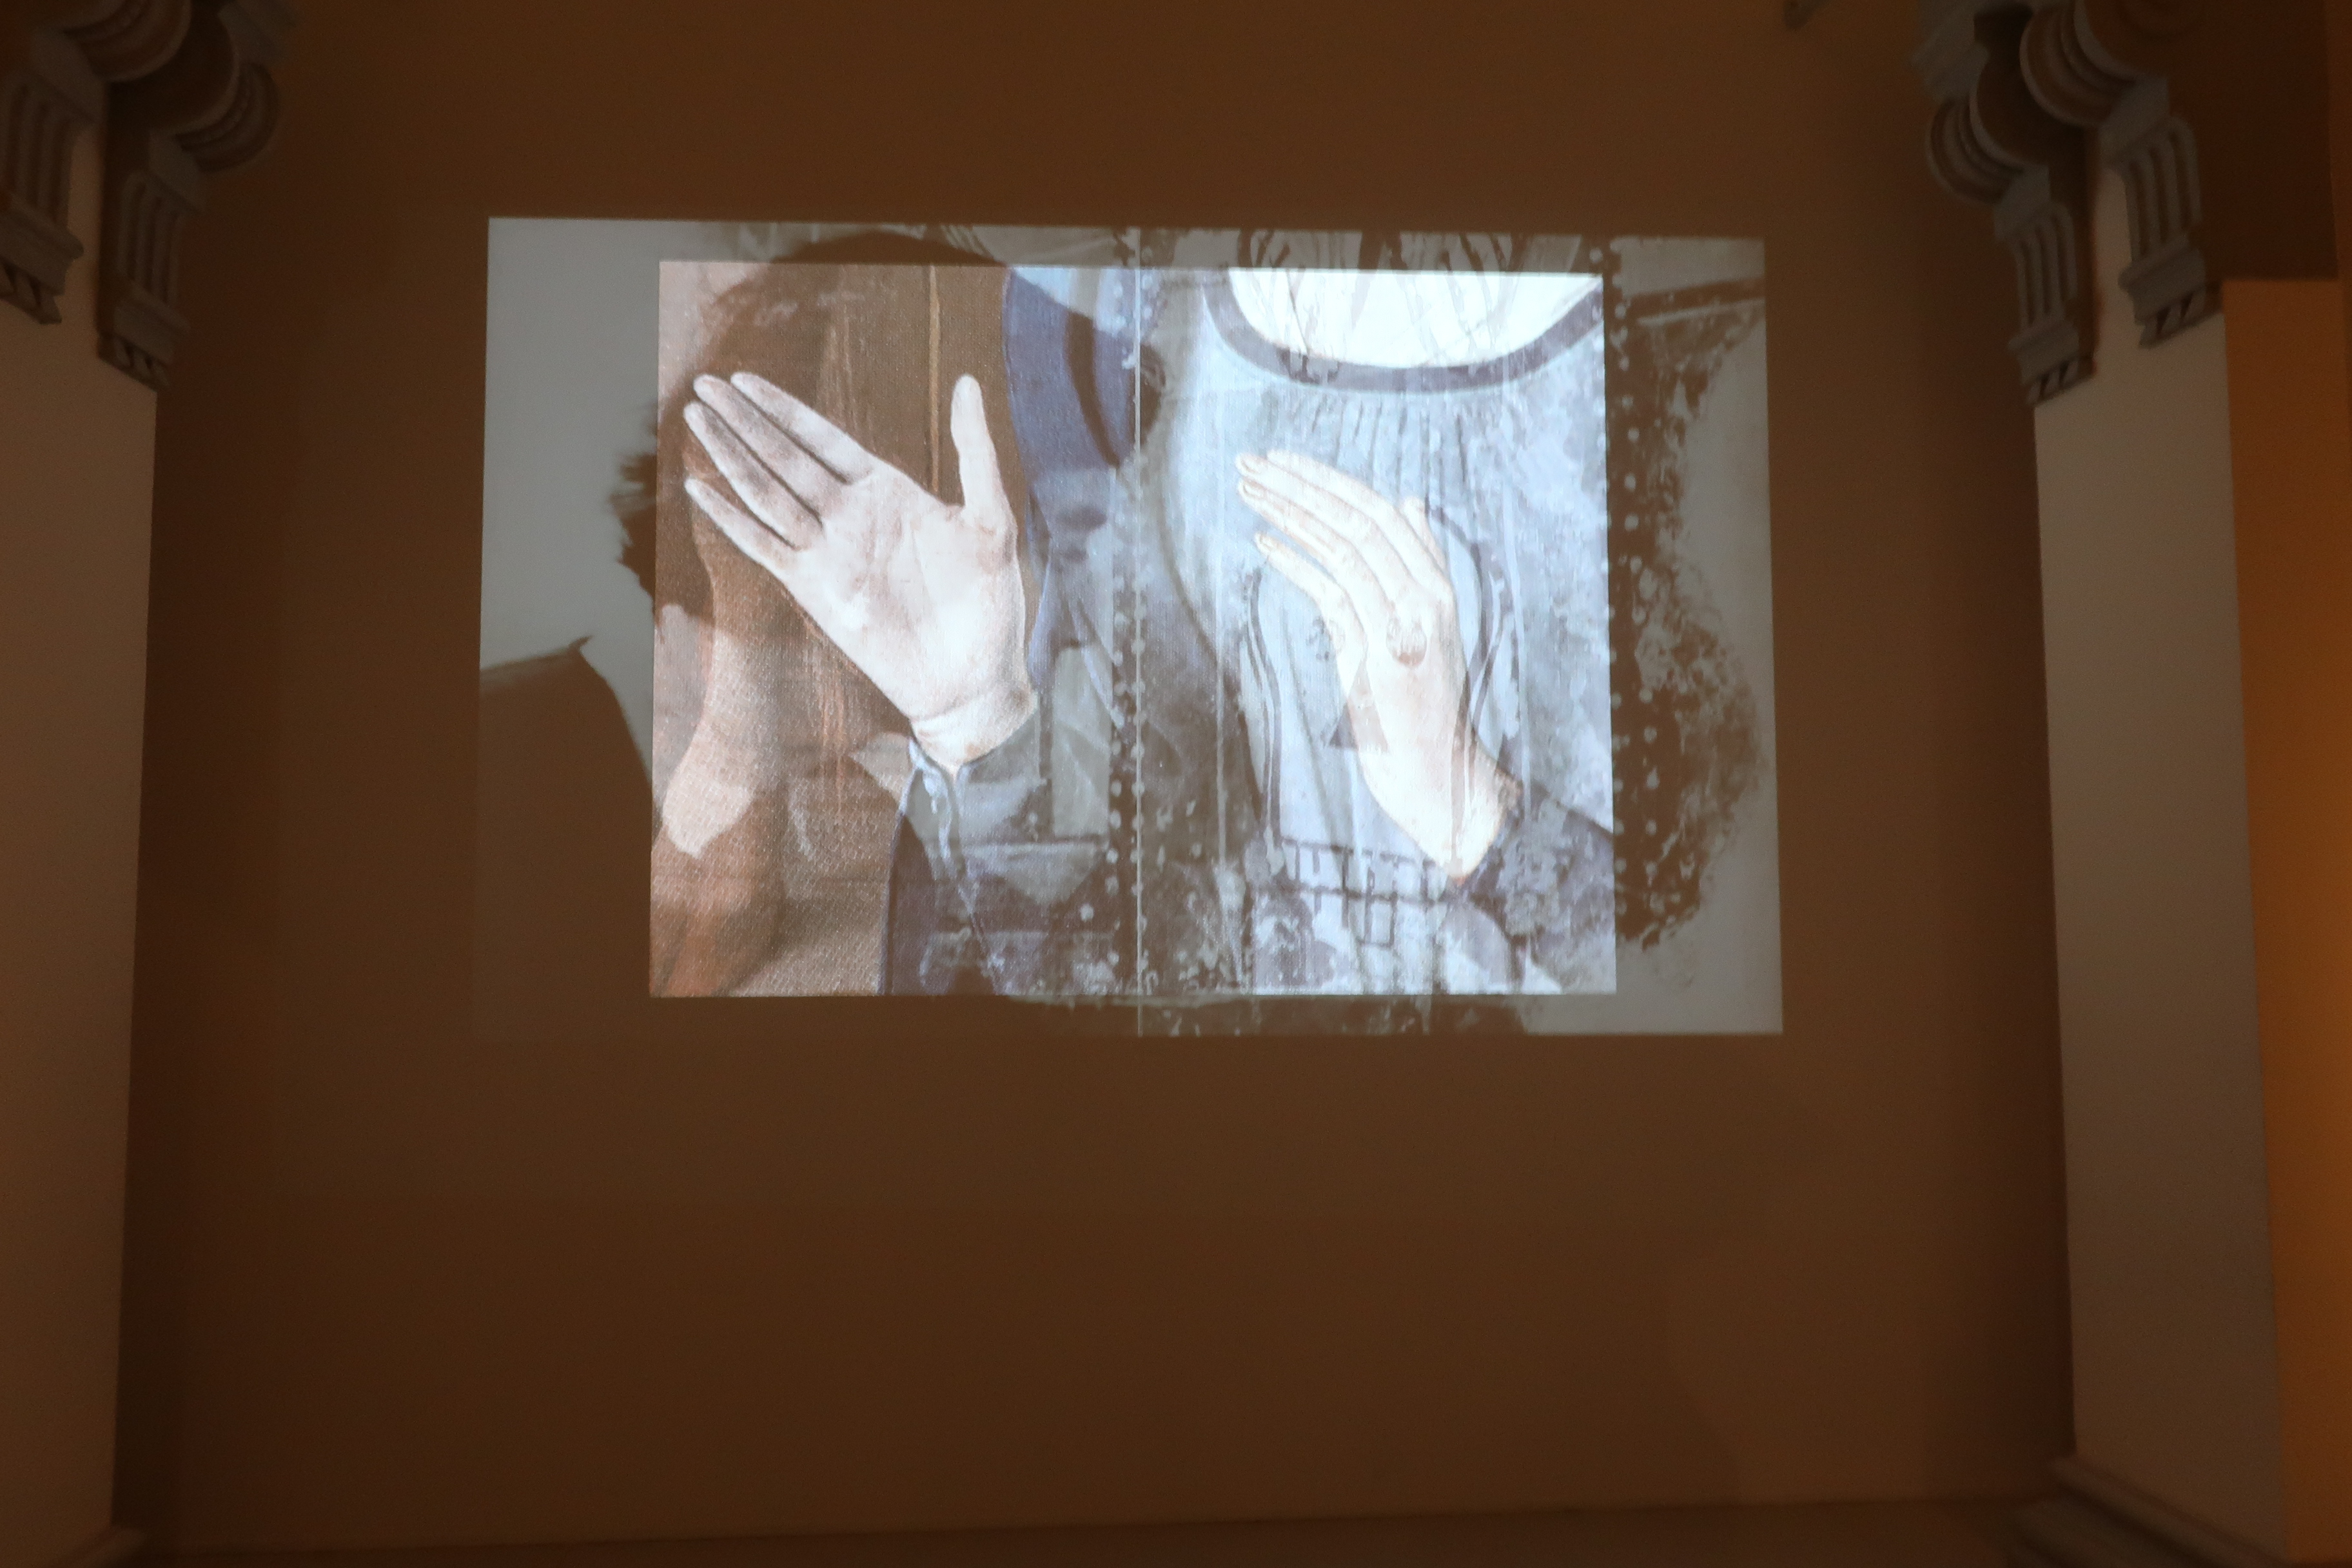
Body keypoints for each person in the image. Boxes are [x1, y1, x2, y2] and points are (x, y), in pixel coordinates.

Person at [673, 247, 1615, 1000]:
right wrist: (979, 719)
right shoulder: (1095, 325)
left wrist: (1477, 816)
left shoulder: (1650, 352)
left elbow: (1688, 983)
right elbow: (1117, 951)